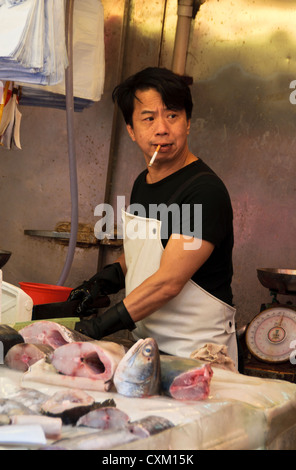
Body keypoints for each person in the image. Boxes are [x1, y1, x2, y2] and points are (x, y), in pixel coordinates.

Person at [72, 67, 238, 368]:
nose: (162, 128)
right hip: (149, 349)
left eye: (172, 115)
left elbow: (169, 281)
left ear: (187, 123)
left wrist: (101, 325)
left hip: (198, 355)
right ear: (132, 130)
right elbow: (146, 251)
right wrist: (106, 280)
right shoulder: (143, 182)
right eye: (149, 118)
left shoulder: (204, 191)